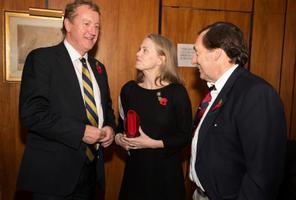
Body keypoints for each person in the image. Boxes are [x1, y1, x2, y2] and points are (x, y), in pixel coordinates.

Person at [17, 0, 116, 199]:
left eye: (97, 26)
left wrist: (110, 129)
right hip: (52, 178)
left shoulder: (99, 69)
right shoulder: (42, 59)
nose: (93, 31)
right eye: (86, 23)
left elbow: (107, 109)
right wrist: (80, 131)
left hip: (91, 177)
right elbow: (31, 114)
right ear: (68, 24)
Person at [189, 21, 287, 200]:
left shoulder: (256, 94)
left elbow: (262, 174)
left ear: (217, 54)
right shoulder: (217, 91)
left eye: (197, 52)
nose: (193, 60)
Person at [115, 33, 193, 200]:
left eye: (145, 50)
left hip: (166, 176)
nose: (138, 53)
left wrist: (153, 143)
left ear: (161, 59)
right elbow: (119, 128)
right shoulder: (128, 90)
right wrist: (119, 139)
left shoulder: (176, 92)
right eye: (139, 49)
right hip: (135, 174)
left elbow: (186, 136)